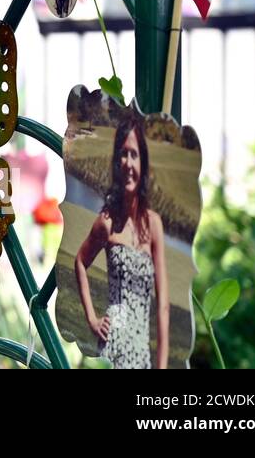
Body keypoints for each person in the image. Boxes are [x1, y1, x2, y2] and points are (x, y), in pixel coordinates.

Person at [73, 113, 170, 368]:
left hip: (141, 351)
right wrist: (93, 319)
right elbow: (80, 262)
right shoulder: (106, 222)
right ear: (116, 162)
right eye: (123, 154)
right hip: (113, 344)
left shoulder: (154, 225)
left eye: (134, 155)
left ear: (143, 164)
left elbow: (163, 306)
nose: (128, 162)